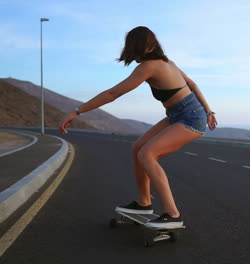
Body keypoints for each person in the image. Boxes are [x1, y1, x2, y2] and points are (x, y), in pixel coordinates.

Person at [59, 26, 217, 228]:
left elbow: (113, 94)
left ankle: (173, 214)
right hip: (179, 114)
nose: (132, 53)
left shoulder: (150, 66)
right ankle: (144, 203)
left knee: (147, 154)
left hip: (191, 117)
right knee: (137, 148)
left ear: (147, 46)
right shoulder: (168, 63)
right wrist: (209, 111)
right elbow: (193, 85)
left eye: (133, 48)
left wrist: (77, 111)